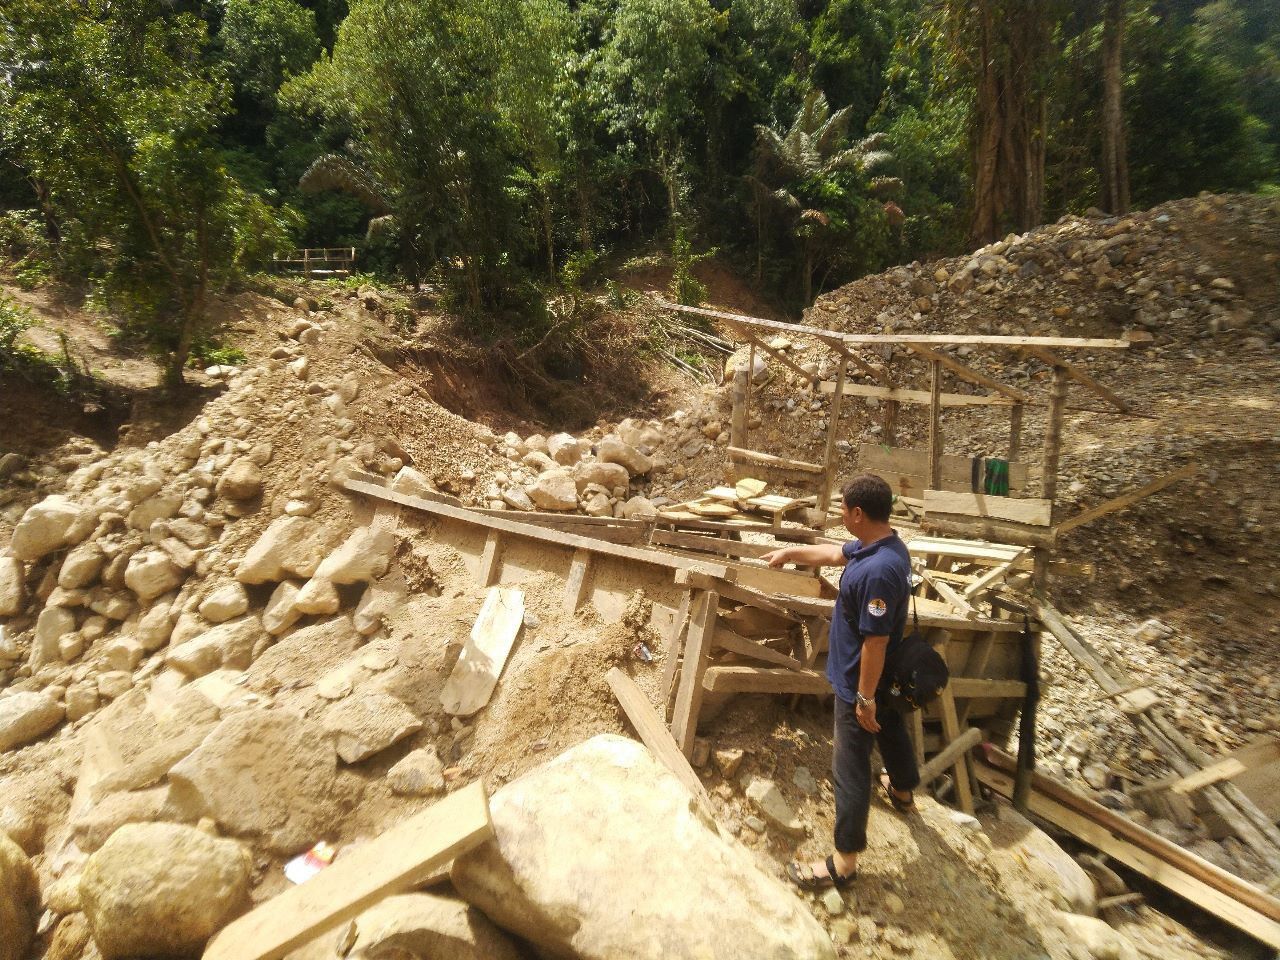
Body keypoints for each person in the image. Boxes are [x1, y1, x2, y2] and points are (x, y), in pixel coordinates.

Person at [760, 473, 919, 889]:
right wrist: (789, 552)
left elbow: (875, 642)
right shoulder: (881, 545)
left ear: (859, 513)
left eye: (843, 509)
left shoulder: (879, 570)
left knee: (850, 766)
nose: (841, 516)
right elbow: (834, 554)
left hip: (859, 680)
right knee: (891, 727)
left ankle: (844, 862)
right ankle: (903, 791)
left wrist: (863, 698)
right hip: (880, 676)